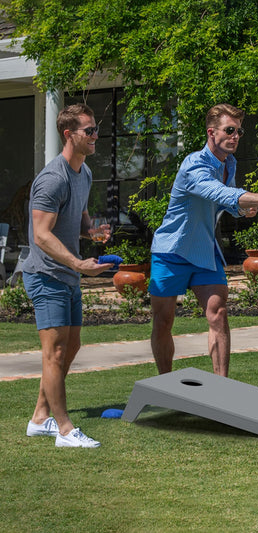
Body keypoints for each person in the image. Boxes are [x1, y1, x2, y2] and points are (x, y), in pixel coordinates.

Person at [150, 103, 258, 377]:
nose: (235, 136)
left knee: (218, 313)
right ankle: (165, 384)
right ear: (212, 132)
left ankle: (222, 387)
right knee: (163, 321)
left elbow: (227, 201)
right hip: (172, 250)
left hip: (204, 251)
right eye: (229, 130)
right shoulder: (193, 164)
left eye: (239, 131)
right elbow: (220, 194)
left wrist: (243, 209)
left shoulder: (228, 164)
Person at [23, 103, 113, 447]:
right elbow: (41, 234)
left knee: (71, 346)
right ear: (68, 135)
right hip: (47, 275)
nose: (94, 137)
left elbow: (81, 213)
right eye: (88, 131)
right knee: (55, 353)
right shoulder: (52, 178)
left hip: (68, 274)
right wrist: (77, 264)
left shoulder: (84, 173)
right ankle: (64, 429)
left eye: (95, 130)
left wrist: (92, 231)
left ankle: (39, 418)